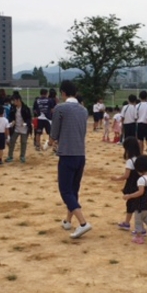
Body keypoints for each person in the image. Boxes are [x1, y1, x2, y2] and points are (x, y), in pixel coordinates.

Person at [49, 80, 92, 239]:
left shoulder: (60, 108)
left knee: (65, 190)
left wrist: (50, 143)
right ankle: (68, 220)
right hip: (81, 154)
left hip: (67, 154)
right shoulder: (84, 110)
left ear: (63, 93)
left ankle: (83, 223)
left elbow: (54, 132)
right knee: (73, 190)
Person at [111, 137, 141, 232]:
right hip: (140, 184)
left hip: (132, 185)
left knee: (130, 204)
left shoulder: (130, 161)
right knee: (139, 206)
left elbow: (126, 175)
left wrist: (117, 178)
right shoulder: (140, 159)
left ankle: (127, 223)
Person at [6, 93, 32, 163]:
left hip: (24, 128)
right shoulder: (13, 108)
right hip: (16, 128)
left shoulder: (26, 108)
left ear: (18, 100)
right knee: (12, 141)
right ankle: (10, 156)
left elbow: (29, 118)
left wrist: (26, 123)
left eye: (14, 101)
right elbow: (11, 117)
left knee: (23, 142)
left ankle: (22, 156)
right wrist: (12, 122)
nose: (13, 102)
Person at [135, 91, 147, 155]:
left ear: (139, 97)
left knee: (140, 139)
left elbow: (136, 116)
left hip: (140, 124)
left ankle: (141, 152)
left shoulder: (137, 106)